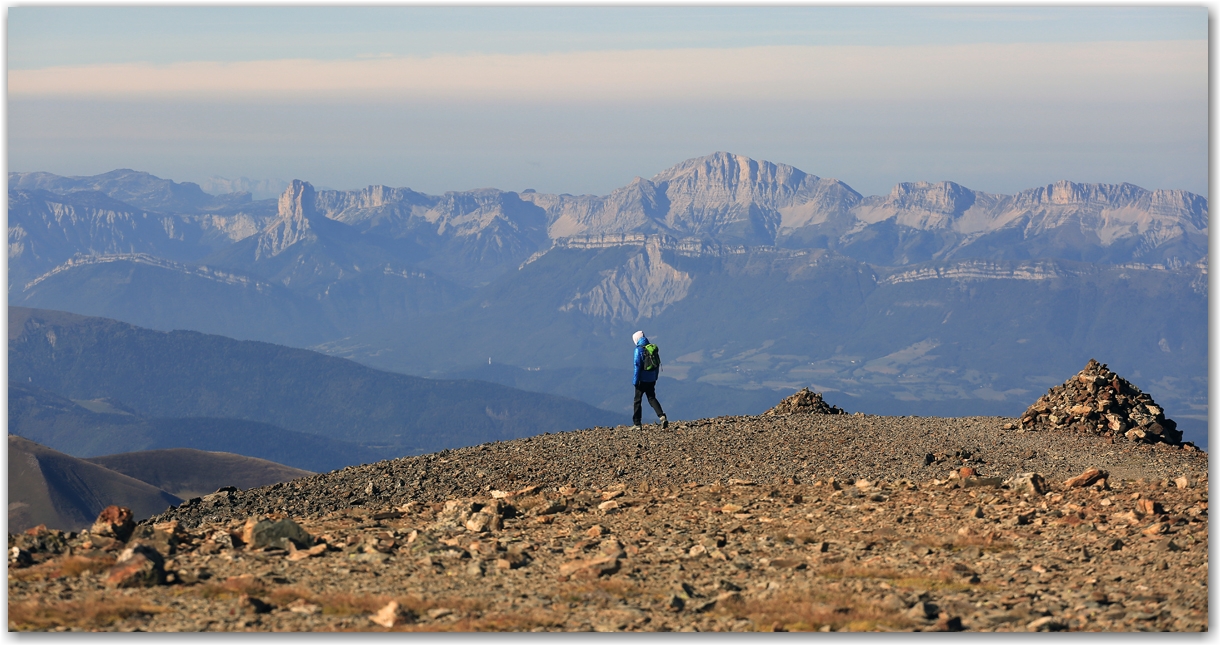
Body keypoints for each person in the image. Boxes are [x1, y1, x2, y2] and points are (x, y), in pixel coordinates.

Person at [631, 330, 668, 430]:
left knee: (637, 401)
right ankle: (662, 416)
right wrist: (655, 377)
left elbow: (637, 366)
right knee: (652, 398)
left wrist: (635, 381)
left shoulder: (638, 350)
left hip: (641, 380)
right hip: (652, 379)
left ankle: (637, 423)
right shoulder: (652, 348)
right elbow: (656, 365)